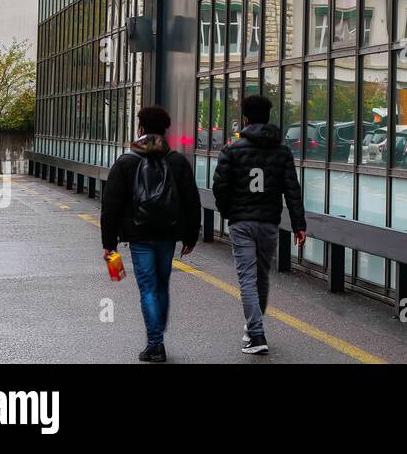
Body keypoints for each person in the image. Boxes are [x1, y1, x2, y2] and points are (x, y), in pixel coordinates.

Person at [100, 106, 201, 363]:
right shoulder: (177, 162)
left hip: (139, 234)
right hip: (168, 233)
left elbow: (111, 205)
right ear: (165, 130)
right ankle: (158, 332)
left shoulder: (126, 162)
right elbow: (191, 200)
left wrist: (109, 243)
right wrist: (190, 236)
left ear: (141, 129)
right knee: (161, 284)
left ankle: (155, 343)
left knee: (147, 287)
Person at [212, 94, 307, 355]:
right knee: (261, 276)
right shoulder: (283, 151)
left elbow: (220, 187)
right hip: (268, 222)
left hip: (241, 222)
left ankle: (255, 334)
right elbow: (292, 190)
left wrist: (228, 211)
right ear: (268, 118)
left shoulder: (231, 150)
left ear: (245, 118)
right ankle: (254, 327)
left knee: (246, 278)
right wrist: (299, 224)